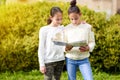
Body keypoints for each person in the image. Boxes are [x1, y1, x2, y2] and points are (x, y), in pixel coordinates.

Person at [64, 0, 95, 80]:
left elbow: (92, 42)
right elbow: (63, 44)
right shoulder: (66, 28)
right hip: (70, 59)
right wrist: (65, 48)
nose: (74, 21)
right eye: (71, 19)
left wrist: (88, 48)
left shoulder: (87, 27)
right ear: (69, 17)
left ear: (80, 15)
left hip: (84, 59)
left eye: (76, 18)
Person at [38, 7, 65, 80]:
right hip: (49, 61)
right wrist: (42, 64)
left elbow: (73, 27)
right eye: (57, 19)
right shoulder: (44, 30)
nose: (60, 21)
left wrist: (82, 23)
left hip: (60, 60)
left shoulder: (62, 28)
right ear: (51, 17)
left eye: (61, 19)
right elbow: (41, 48)